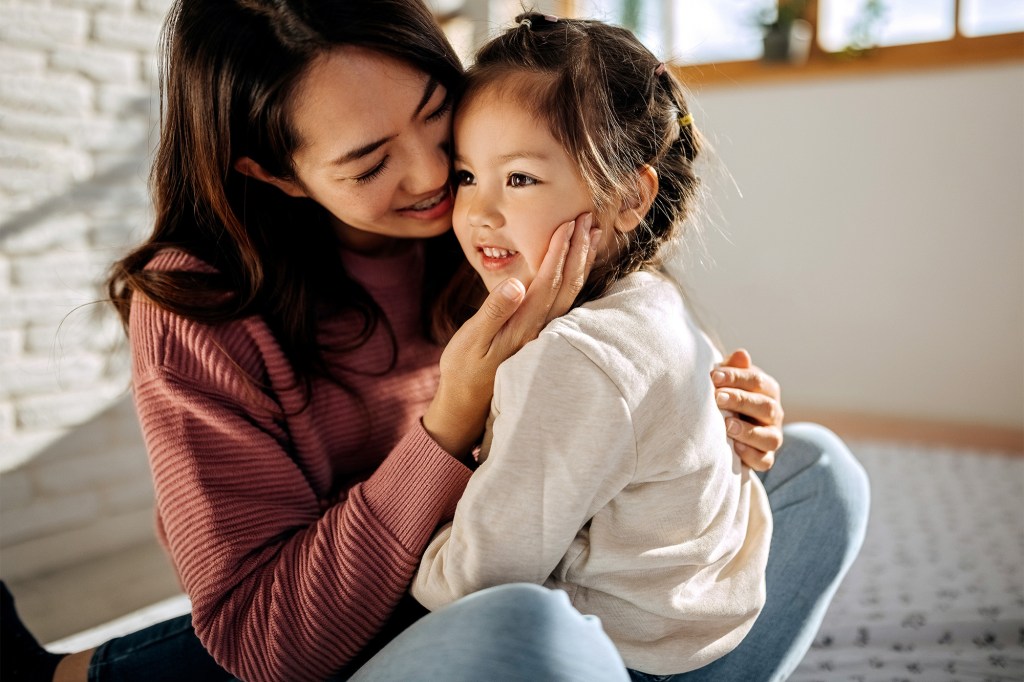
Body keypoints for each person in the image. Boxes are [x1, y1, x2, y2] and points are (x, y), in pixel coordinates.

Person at [0, 1, 867, 681]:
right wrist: (449, 424)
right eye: (370, 162)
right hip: (351, 629)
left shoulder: (513, 223)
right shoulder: (202, 307)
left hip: (502, 570)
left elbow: (625, 381)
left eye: (439, 122)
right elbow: (264, 646)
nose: (433, 183)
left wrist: (711, 428)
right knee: (519, 628)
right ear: (272, 173)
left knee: (818, 471)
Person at [409, 13, 772, 679]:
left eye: (518, 178)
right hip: (702, 634)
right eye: (465, 176)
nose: (479, 211)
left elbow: (469, 587)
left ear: (628, 196)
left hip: (619, 658)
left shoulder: (572, 358)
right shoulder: (653, 295)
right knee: (828, 468)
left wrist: (412, 551)